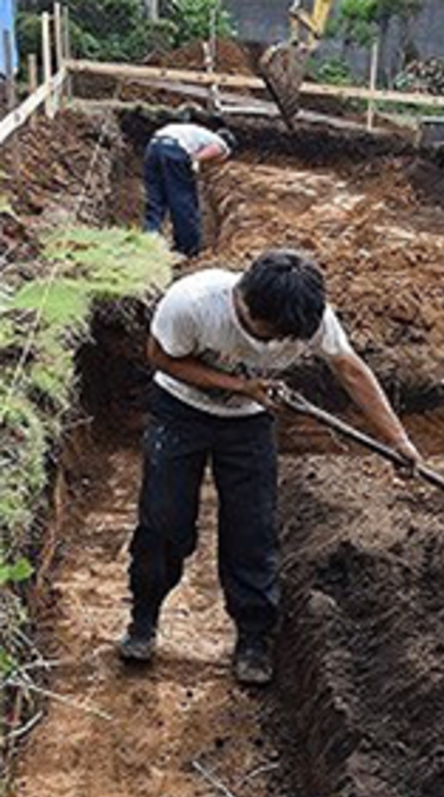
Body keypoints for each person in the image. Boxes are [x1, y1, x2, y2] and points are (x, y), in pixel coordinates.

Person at [119, 248, 420, 686]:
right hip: (180, 412)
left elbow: (349, 370)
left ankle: (254, 638)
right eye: (270, 335)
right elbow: (161, 358)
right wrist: (240, 385)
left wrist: (398, 439)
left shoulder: (305, 316)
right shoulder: (191, 303)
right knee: (164, 525)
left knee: (253, 531)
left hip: (248, 423)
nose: (278, 345)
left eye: (287, 340)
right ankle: (143, 620)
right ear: (243, 301)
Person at [143, 120, 235, 257]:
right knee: (182, 200)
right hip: (174, 151)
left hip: (153, 148)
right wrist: (193, 161)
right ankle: (187, 249)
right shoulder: (220, 143)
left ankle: (149, 239)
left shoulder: (197, 133)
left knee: (156, 198)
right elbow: (216, 149)